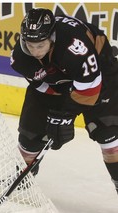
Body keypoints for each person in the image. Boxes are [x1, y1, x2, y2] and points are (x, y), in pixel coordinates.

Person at [10, 8, 118, 190]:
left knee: (108, 133)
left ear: (52, 38)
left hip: (99, 73)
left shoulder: (75, 49)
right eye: (30, 45)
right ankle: (22, 181)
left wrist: (65, 115)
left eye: (40, 46)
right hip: (58, 79)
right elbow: (40, 86)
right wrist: (55, 114)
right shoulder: (20, 58)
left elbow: (90, 89)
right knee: (30, 136)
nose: (35, 51)